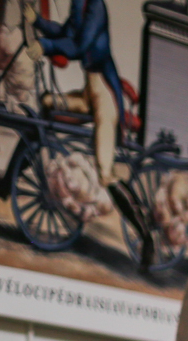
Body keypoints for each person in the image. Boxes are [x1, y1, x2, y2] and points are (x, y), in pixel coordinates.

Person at [33, 0, 145, 249]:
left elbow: (80, 46)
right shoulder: (80, 3)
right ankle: (7, 181)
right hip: (88, 95)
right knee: (47, 104)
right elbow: (66, 32)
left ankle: (146, 237)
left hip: (105, 99)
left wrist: (46, 45)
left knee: (106, 173)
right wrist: (37, 21)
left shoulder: (96, 7)